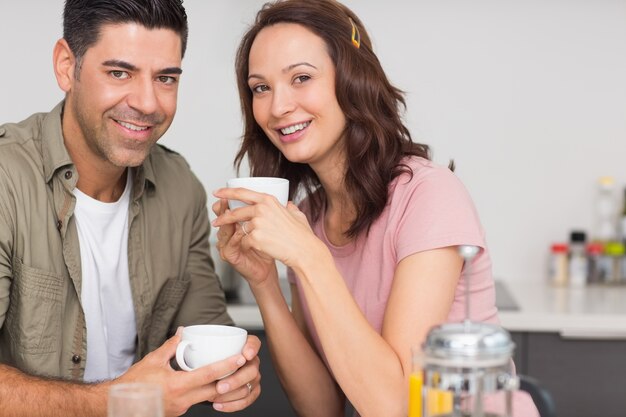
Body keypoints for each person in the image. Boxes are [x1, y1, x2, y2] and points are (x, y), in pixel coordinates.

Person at [212, 1, 539, 416]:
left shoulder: (428, 195)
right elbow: (321, 406)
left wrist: (309, 257)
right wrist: (264, 283)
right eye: (261, 87)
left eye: (301, 78)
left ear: (351, 79)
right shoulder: (309, 218)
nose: (278, 107)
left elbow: (399, 407)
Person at [0, 1, 260, 416]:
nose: (147, 103)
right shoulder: (6, 180)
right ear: (67, 66)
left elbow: (208, 338)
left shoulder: (180, 188)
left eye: (165, 78)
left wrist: (234, 372)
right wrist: (114, 402)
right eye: (119, 73)